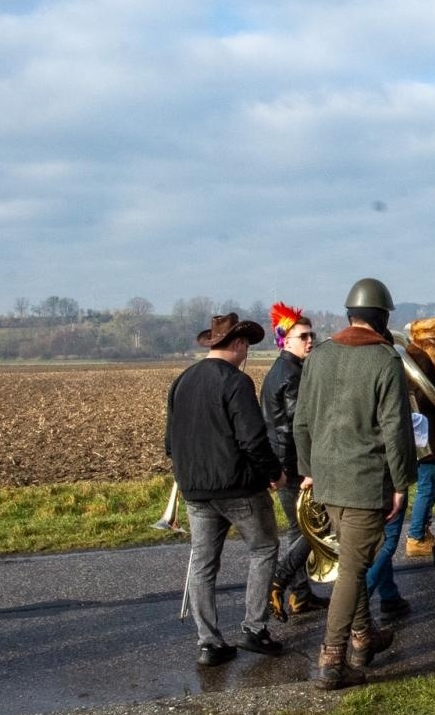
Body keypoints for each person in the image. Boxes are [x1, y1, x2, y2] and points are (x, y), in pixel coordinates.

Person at [293, 277, 416, 690]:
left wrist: (309, 468)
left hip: (326, 480)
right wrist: (402, 483)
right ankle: (332, 659)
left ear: (349, 315)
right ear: (382, 319)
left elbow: (302, 422)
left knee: (350, 560)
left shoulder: (320, 356)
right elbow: (396, 429)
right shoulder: (385, 361)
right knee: (352, 572)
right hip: (366, 483)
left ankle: (365, 637)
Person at [165, 313, 285, 666]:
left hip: (195, 490)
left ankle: (209, 643)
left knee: (203, 563)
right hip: (239, 487)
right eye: (246, 345)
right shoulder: (235, 382)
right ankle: (254, 629)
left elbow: (170, 444)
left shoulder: (182, 381)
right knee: (264, 548)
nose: (246, 352)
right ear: (237, 344)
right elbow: (252, 439)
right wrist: (274, 473)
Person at [261, 303, 328, 621]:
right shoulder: (292, 375)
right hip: (293, 466)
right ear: (285, 340)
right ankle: (279, 580)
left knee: (296, 529)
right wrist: (304, 472)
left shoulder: (279, 370)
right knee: (314, 529)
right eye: (303, 336)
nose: (310, 340)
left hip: (281, 462)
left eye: (311, 334)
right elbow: (294, 429)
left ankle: (300, 596)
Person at [403, 318, 435, 560]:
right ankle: (416, 536)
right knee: (429, 480)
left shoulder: (416, 356)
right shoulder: (421, 359)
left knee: (434, 477)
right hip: (423, 433)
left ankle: (422, 529)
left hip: (423, 431)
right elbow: (424, 397)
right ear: (425, 339)